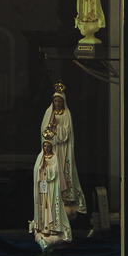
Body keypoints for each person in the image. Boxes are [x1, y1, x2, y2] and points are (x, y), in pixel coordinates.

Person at [40, 84, 87, 215]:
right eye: (55, 101)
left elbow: (66, 134)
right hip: (52, 147)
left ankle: (65, 199)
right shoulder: (49, 113)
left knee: (63, 171)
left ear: (63, 102)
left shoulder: (66, 114)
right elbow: (44, 130)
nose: (57, 103)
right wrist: (50, 129)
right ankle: (52, 197)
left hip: (63, 149)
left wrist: (56, 128)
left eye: (60, 101)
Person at [30, 128, 71, 254]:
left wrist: (48, 171)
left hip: (51, 188)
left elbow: (55, 173)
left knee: (51, 207)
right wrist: (40, 169)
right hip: (42, 189)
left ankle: (52, 230)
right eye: (45, 146)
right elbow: (36, 170)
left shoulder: (54, 158)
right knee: (43, 208)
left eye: (48, 146)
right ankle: (43, 230)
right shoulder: (40, 157)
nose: (46, 148)